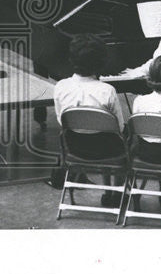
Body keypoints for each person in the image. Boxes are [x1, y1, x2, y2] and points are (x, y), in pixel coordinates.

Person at [52, 34, 127, 202]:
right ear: (101, 62)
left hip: (75, 149)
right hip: (108, 150)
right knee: (120, 136)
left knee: (105, 134)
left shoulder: (60, 87)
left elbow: (61, 120)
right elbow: (119, 128)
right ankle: (114, 192)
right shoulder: (107, 90)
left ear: (72, 60)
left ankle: (109, 191)